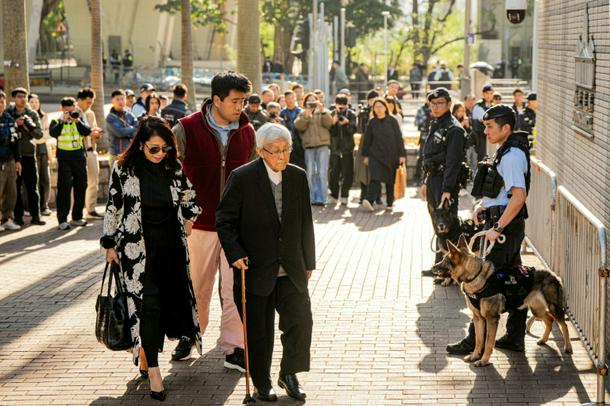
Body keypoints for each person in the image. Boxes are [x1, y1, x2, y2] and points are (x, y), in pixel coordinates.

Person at [101, 116, 203, 402]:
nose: (160, 154)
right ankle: (155, 374)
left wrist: (189, 219)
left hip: (171, 250)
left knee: (166, 306)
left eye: (165, 149)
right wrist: (109, 244)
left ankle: (147, 355)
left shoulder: (173, 167)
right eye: (154, 149)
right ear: (141, 145)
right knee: (148, 307)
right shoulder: (124, 169)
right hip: (136, 253)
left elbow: (190, 197)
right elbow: (113, 206)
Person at [216, 123, 315, 402]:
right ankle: (262, 381)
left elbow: (306, 221)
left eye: (286, 150)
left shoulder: (297, 176)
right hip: (255, 268)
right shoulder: (242, 177)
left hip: (292, 268)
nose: (282, 156)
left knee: (301, 322)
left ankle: (289, 373)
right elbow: (224, 220)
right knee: (259, 331)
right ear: (260, 151)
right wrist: (235, 253)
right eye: (275, 151)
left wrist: (309, 260)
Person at [170, 71, 255, 370]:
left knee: (235, 290)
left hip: (235, 227)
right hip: (198, 224)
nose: (240, 107)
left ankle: (235, 346)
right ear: (216, 99)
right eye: (235, 101)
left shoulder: (248, 131)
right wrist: (181, 212)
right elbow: (169, 171)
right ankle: (190, 333)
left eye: (243, 101)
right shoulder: (185, 128)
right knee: (197, 286)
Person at [446, 104, 530, 356]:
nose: (485, 131)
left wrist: (497, 227)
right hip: (502, 225)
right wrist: (483, 205)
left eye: (490, 126)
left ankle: (475, 341)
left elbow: (519, 197)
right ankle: (515, 336)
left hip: (503, 229)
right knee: (516, 279)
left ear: (506, 128)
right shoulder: (505, 151)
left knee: (483, 282)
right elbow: (503, 192)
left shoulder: (512, 156)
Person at [420, 88, 467, 272]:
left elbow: (453, 163)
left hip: (444, 181)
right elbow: (429, 156)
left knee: (448, 226)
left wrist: (447, 189)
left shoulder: (453, 129)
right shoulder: (437, 123)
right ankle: (440, 265)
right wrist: (426, 181)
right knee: (437, 223)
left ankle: (451, 269)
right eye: (432, 103)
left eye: (440, 103)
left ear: (449, 104)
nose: (435, 107)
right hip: (434, 179)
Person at [49, 97, 92, 230]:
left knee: (81, 187)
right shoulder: (56, 120)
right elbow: (53, 133)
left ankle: (77, 217)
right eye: (67, 110)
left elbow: (87, 131)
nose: (70, 112)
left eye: (72, 109)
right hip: (64, 160)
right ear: (62, 109)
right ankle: (62, 220)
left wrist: (77, 120)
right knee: (64, 189)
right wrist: (63, 120)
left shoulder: (79, 118)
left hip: (79, 158)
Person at [360, 98, 406, 211]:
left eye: (380, 106)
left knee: (390, 180)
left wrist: (402, 154)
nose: (378, 109)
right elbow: (367, 140)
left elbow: (399, 138)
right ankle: (369, 200)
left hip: (392, 155)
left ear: (385, 107)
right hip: (375, 155)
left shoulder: (392, 121)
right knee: (375, 177)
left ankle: (390, 202)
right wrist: (365, 155)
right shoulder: (372, 122)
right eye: (376, 107)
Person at [8, 87, 44, 226]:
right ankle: (18, 217)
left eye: (24, 96)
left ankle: (36, 216)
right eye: (19, 96)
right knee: (15, 188)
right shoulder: (8, 113)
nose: (22, 99)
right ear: (14, 98)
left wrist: (27, 126)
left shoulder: (32, 114)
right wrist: (15, 124)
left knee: (32, 187)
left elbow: (39, 135)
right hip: (14, 157)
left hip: (29, 155)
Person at [295, 93, 333, 206]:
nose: (312, 103)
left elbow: (329, 124)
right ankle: (312, 198)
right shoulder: (302, 113)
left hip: (323, 145)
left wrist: (322, 111)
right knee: (311, 172)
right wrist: (307, 116)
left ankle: (322, 198)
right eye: (309, 101)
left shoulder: (324, 111)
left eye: (314, 100)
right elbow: (299, 127)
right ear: (305, 103)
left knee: (322, 172)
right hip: (309, 146)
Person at [76, 88, 104, 219]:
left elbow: (93, 130)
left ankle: (91, 210)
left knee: (93, 181)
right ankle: (76, 212)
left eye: (91, 102)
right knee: (78, 183)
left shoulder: (91, 113)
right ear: (80, 100)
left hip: (91, 150)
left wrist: (96, 133)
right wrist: (90, 132)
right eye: (88, 102)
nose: (90, 105)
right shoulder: (74, 112)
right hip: (78, 152)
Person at [329, 94, 357, 206]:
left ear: (347, 104)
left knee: (347, 174)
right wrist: (333, 123)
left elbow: (353, 130)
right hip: (335, 148)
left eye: (343, 105)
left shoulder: (351, 114)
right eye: (339, 104)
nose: (341, 107)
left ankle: (345, 195)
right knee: (334, 173)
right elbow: (330, 132)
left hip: (347, 149)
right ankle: (334, 195)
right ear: (335, 104)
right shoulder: (332, 114)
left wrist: (347, 123)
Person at [0, 90, 22, 232]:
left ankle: (6, 219)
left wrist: (17, 160)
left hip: (10, 161)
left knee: (11, 193)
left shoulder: (9, 119)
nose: (0, 105)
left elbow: (15, 141)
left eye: (2, 102)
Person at [28, 93, 52, 216]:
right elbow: (35, 135)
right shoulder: (26, 117)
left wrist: (38, 137)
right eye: (32, 102)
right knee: (33, 181)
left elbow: (47, 134)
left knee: (45, 180)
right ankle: (32, 208)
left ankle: (44, 206)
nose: (35, 104)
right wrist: (41, 136)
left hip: (43, 150)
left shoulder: (44, 116)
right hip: (31, 151)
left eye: (37, 102)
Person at [355, 90, 379, 202]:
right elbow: (360, 129)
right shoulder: (364, 112)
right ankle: (363, 194)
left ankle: (377, 196)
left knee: (377, 169)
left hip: (378, 142)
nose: (373, 102)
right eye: (371, 100)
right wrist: (363, 116)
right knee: (363, 169)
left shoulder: (382, 113)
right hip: (365, 141)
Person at [106, 89, 138, 165]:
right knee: (115, 173)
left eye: (122, 99)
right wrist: (132, 128)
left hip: (129, 153)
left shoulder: (130, 115)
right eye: (117, 99)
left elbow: (137, 130)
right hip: (116, 155)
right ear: (112, 101)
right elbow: (119, 133)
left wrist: (129, 130)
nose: (120, 101)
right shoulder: (110, 118)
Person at [279, 90, 304, 169]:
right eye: (288, 98)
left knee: (301, 165)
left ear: (295, 98)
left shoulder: (300, 111)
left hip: (300, 141)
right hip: (287, 142)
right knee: (288, 164)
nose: (290, 100)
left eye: (292, 98)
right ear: (285, 99)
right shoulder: (282, 113)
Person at [471, 84, 495, 162]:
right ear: (483, 94)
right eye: (487, 93)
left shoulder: (493, 106)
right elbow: (485, 120)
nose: (489, 96)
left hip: (489, 136)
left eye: (491, 93)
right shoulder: (478, 106)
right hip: (479, 137)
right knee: (481, 158)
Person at [414, 99, 432, 185]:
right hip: (424, 137)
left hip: (436, 138)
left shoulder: (439, 109)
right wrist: (426, 116)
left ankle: (427, 179)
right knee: (421, 157)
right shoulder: (421, 110)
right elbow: (416, 122)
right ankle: (417, 178)